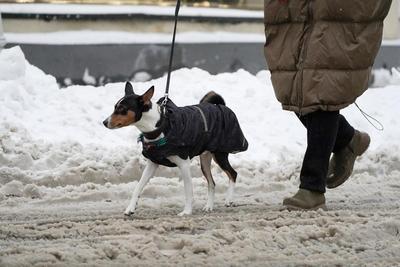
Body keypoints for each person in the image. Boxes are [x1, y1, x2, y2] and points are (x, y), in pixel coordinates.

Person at [263, 0, 392, 210]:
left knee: (321, 91)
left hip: (334, 15)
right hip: (295, 13)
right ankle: (347, 139)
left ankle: (312, 187)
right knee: (295, 89)